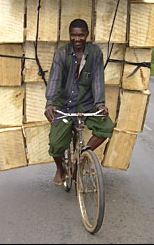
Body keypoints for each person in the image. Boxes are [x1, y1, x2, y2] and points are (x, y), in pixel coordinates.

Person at [44, 19, 114, 186]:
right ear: (69, 35)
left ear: (87, 35)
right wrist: (50, 103)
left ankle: (81, 157)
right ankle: (60, 168)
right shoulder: (61, 54)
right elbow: (54, 79)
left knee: (107, 127)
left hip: (86, 104)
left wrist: (100, 104)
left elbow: (98, 80)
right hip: (64, 107)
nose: (77, 39)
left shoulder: (95, 53)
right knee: (56, 144)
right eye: (73, 35)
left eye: (81, 35)